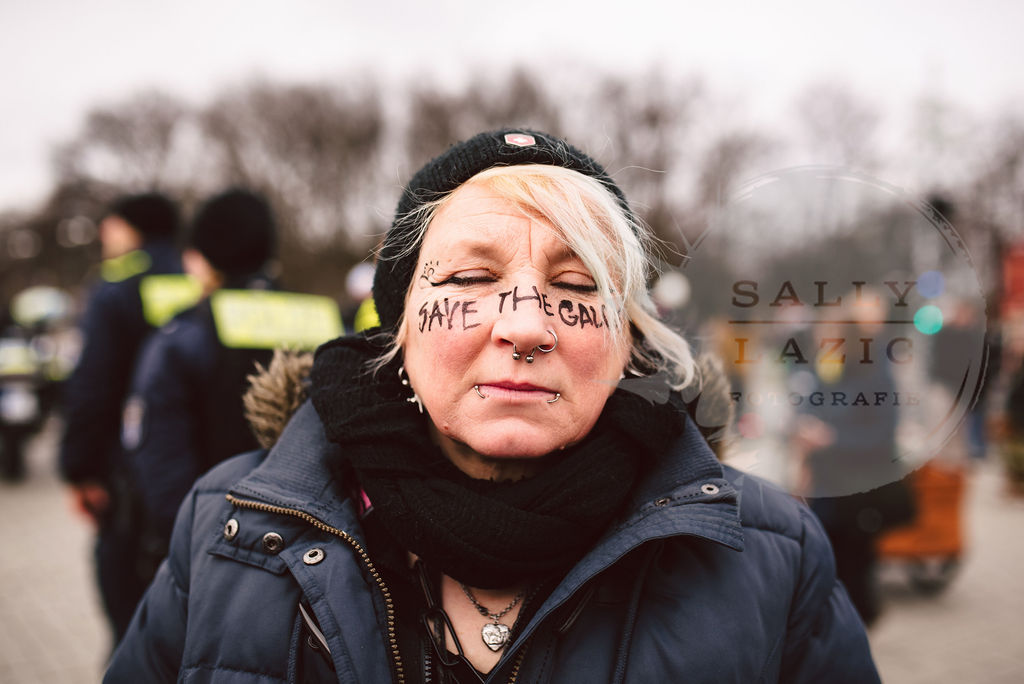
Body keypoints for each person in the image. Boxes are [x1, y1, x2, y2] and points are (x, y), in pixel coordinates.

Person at [106, 130, 880, 682]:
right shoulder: (227, 531)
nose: (525, 326)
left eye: (576, 286)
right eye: (471, 279)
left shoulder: (773, 555)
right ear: (400, 330)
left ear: (630, 343)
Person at [124, 188, 342, 569]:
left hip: (219, 547)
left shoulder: (181, 337)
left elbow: (162, 466)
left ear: (202, 258)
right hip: (318, 549)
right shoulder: (322, 318)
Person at [59, 191, 197, 645]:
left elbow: (92, 386)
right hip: (198, 471)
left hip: (129, 478)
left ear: (131, 229)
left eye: (111, 224)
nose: (104, 234)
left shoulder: (114, 287)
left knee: (130, 617)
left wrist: (80, 470)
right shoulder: (197, 278)